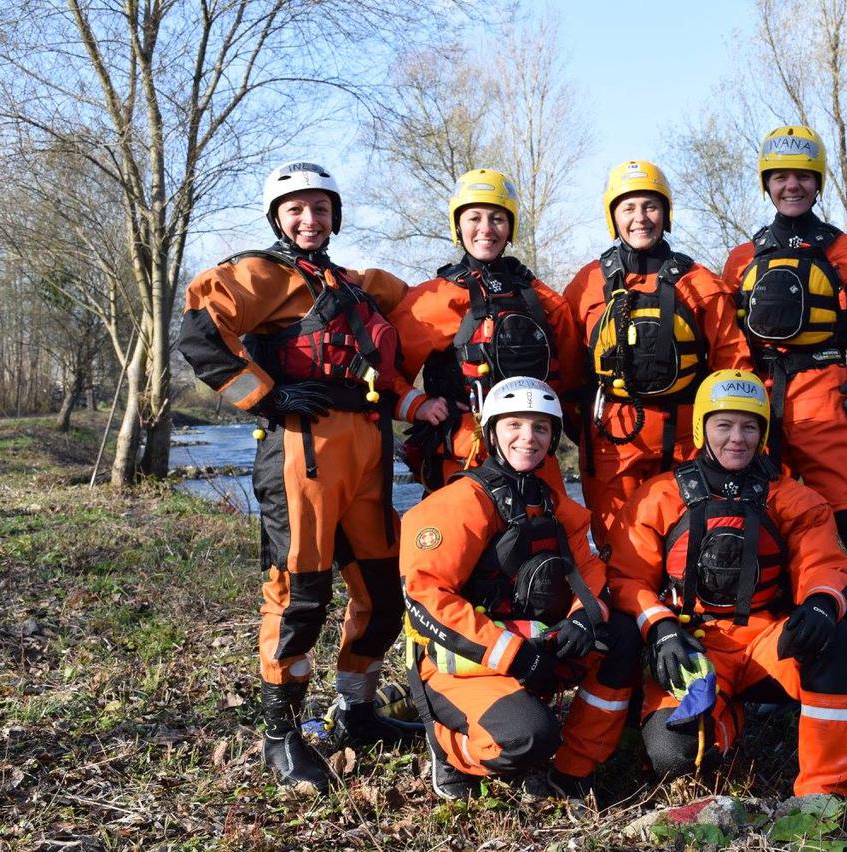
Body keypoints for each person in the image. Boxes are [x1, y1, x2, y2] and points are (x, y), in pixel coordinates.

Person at [178, 161, 445, 794]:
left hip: (369, 451)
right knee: (301, 597)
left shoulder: (357, 284)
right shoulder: (260, 274)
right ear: (277, 217)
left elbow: (421, 310)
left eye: (320, 209)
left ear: (335, 217)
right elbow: (199, 329)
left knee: (382, 593)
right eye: (296, 209)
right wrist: (267, 398)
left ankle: (356, 709)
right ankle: (281, 733)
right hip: (303, 452)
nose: (309, 219)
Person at [720, 126, 847, 754]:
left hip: (827, 407)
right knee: (756, 545)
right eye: (779, 176)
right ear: (766, 183)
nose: (791, 185)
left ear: (818, 182)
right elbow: (724, 340)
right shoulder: (741, 259)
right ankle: (781, 681)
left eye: (802, 176)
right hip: (756, 410)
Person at [606, 369, 847, 797]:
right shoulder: (659, 497)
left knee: (839, 641)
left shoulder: (791, 498)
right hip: (693, 644)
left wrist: (822, 602)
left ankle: (823, 793)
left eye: (749, 426)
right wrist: (660, 625)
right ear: (701, 428)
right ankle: (726, 716)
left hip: (768, 644)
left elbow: (826, 564)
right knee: (676, 756)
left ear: (763, 433)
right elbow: (626, 578)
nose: (737, 439)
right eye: (724, 425)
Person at [400, 376, 640, 801]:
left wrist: (583, 618)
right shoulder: (458, 503)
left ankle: (573, 769)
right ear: (491, 432)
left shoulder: (557, 506)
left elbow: (591, 574)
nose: (527, 438)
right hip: (463, 662)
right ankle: (449, 746)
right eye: (514, 425)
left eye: (540, 428)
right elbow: (425, 598)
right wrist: (514, 656)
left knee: (619, 635)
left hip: (533, 650)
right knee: (529, 738)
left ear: (551, 439)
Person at [565, 160, 748, 549]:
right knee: (621, 549)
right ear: (613, 216)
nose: (640, 218)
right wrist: (580, 428)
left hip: (688, 441)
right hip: (612, 442)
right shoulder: (585, 286)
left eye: (650, 206)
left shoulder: (700, 282)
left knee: (691, 545)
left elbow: (734, 366)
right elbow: (567, 370)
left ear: (666, 214)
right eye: (628, 208)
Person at [389, 169, 584, 492]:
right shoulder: (432, 300)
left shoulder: (545, 301)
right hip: (465, 452)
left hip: (533, 454)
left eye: (497, 218)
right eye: (474, 218)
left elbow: (572, 382)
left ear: (510, 227)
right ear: (458, 226)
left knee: (547, 538)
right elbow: (385, 374)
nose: (486, 229)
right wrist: (418, 404)